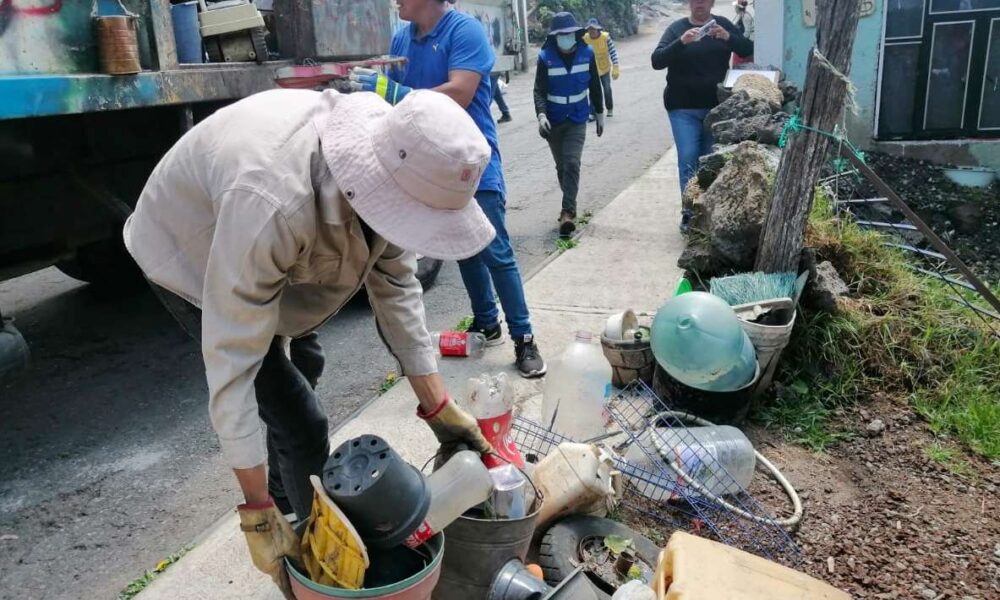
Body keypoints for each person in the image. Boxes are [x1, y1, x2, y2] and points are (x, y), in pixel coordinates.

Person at [123, 88, 497, 598]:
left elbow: (397, 289)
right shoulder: (272, 201)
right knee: (300, 420)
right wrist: (257, 515)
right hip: (191, 247)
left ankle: (290, 491)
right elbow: (232, 363)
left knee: (308, 363)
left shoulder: (400, 162)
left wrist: (439, 408)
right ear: (380, 189)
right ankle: (314, 563)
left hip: (267, 243)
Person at [351, 0, 546, 378]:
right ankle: (487, 324)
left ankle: (524, 339)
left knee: (494, 250)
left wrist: (392, 92)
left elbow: (460, 93)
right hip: (427, 166)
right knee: (463, 248)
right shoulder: (401, 38)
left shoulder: (465, 31)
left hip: (468, 162)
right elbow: (394, 100)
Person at [651, 0, 752, 231]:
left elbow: (747, 48)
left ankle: (706, 212)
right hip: (682, 108)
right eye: (695, 0)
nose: (700, 4)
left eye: (704, 0)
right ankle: (689, 212)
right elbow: (656, 60)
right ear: (689, 3)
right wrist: (682, 42)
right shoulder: (677, 29)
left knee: (710, 161)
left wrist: (728, 37)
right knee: (688, 158)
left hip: (716, 110)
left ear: (712, 3)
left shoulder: (723, 24)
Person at [534, 12, 605, 237]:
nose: (565, 37)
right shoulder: (545, 57)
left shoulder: (587, 53)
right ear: (554, 37)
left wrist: (600, 113)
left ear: (576, 34)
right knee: (562, 166)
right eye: (560, 34)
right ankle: (570, 200)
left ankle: (568, 212)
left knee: (572, 163)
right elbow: (539, 90)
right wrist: (541, 115)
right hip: (553, 120)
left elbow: (595, 85)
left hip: (577, 117)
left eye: (569, 34)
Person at [583, 18, 620, 119]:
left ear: (598, 29)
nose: (592, 31)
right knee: (593, 90)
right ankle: (593, 113)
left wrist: (615, 66)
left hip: (604, 68)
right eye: (590, 29)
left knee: (607, 89)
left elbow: (613, 52)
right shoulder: (585, 39)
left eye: (593, 29)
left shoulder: (605, 37)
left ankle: (610, 108)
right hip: (591, 70)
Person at [732, 1, 754, 66]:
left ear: (738, 8)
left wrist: (739, 41)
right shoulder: (740, 15)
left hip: (746, 43)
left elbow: (747, 32)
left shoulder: (746, 17)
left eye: (735, 7)